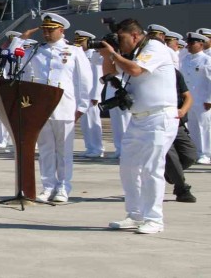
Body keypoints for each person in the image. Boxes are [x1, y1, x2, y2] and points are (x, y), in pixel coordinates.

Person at [100, 18, 177, 235]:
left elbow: (135, 70)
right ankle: (135, 214)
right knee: (128, 167)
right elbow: (109, 75)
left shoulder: (154, 47)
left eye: (121, 38)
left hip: (159, 116)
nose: (119, 43)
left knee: (152, 169)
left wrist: (114, 54)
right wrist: (107, 56)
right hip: (138, 118)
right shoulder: (132, 53)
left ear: (134, 35)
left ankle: (154, 219)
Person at [12, 13, 92, 203]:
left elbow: (85, 80)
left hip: (65, 106)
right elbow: (14, 60)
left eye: (51, 30)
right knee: (46, 150)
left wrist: (82, 106)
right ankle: (48, 186)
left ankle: (63, 187)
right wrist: (20, 39)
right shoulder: (35, 50)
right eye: (45, 30)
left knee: (64, 150)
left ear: (61, 30)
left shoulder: (74, 51)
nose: (46, 33)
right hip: (40, 107)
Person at [165, 69, 197, 203]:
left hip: (177, 122)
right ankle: (182, 189)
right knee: (171, 157)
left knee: (190, 155)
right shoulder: (144, 72)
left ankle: (170, 173)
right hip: (159, 122)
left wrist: (183, 110)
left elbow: (188, 96)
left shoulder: (174, 73)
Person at [179, 32, 211, 164]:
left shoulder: (207, 60)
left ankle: (207, 154)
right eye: (188, 43)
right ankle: (197, 152)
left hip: (203, 99)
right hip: (190, 100)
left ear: (201, 44)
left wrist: (209, 100)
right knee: (193, 126)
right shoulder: (185, 59)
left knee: (205, 127)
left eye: (192, 43)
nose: (188, 45)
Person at [74, 30, 105, 158]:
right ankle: (90, 147)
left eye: (81, 42)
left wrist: (96, 95)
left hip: (91, 95)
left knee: (93, 122)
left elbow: (98, 76)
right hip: (82, 95)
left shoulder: (94, 55)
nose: (79, 44)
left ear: (88, 41)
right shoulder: (79, 55)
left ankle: (98, 148)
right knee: (85, 124)